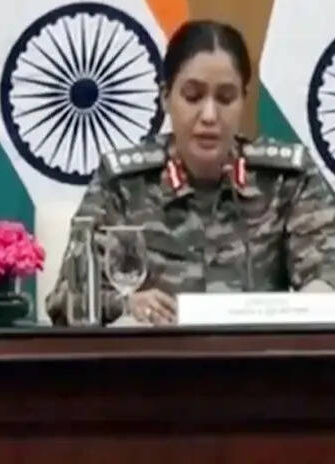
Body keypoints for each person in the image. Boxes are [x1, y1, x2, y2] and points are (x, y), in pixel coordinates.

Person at [47, 20, 335, 326]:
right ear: (166, 98)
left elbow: (327, 273)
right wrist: (126, 304)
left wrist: (316, 300)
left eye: (225, 99)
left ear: (243, 101)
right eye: (193, 97)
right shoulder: (123, 183)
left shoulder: (286, 179)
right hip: (157, 353)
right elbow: (66, 298)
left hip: (259, 354)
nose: (209, 116)